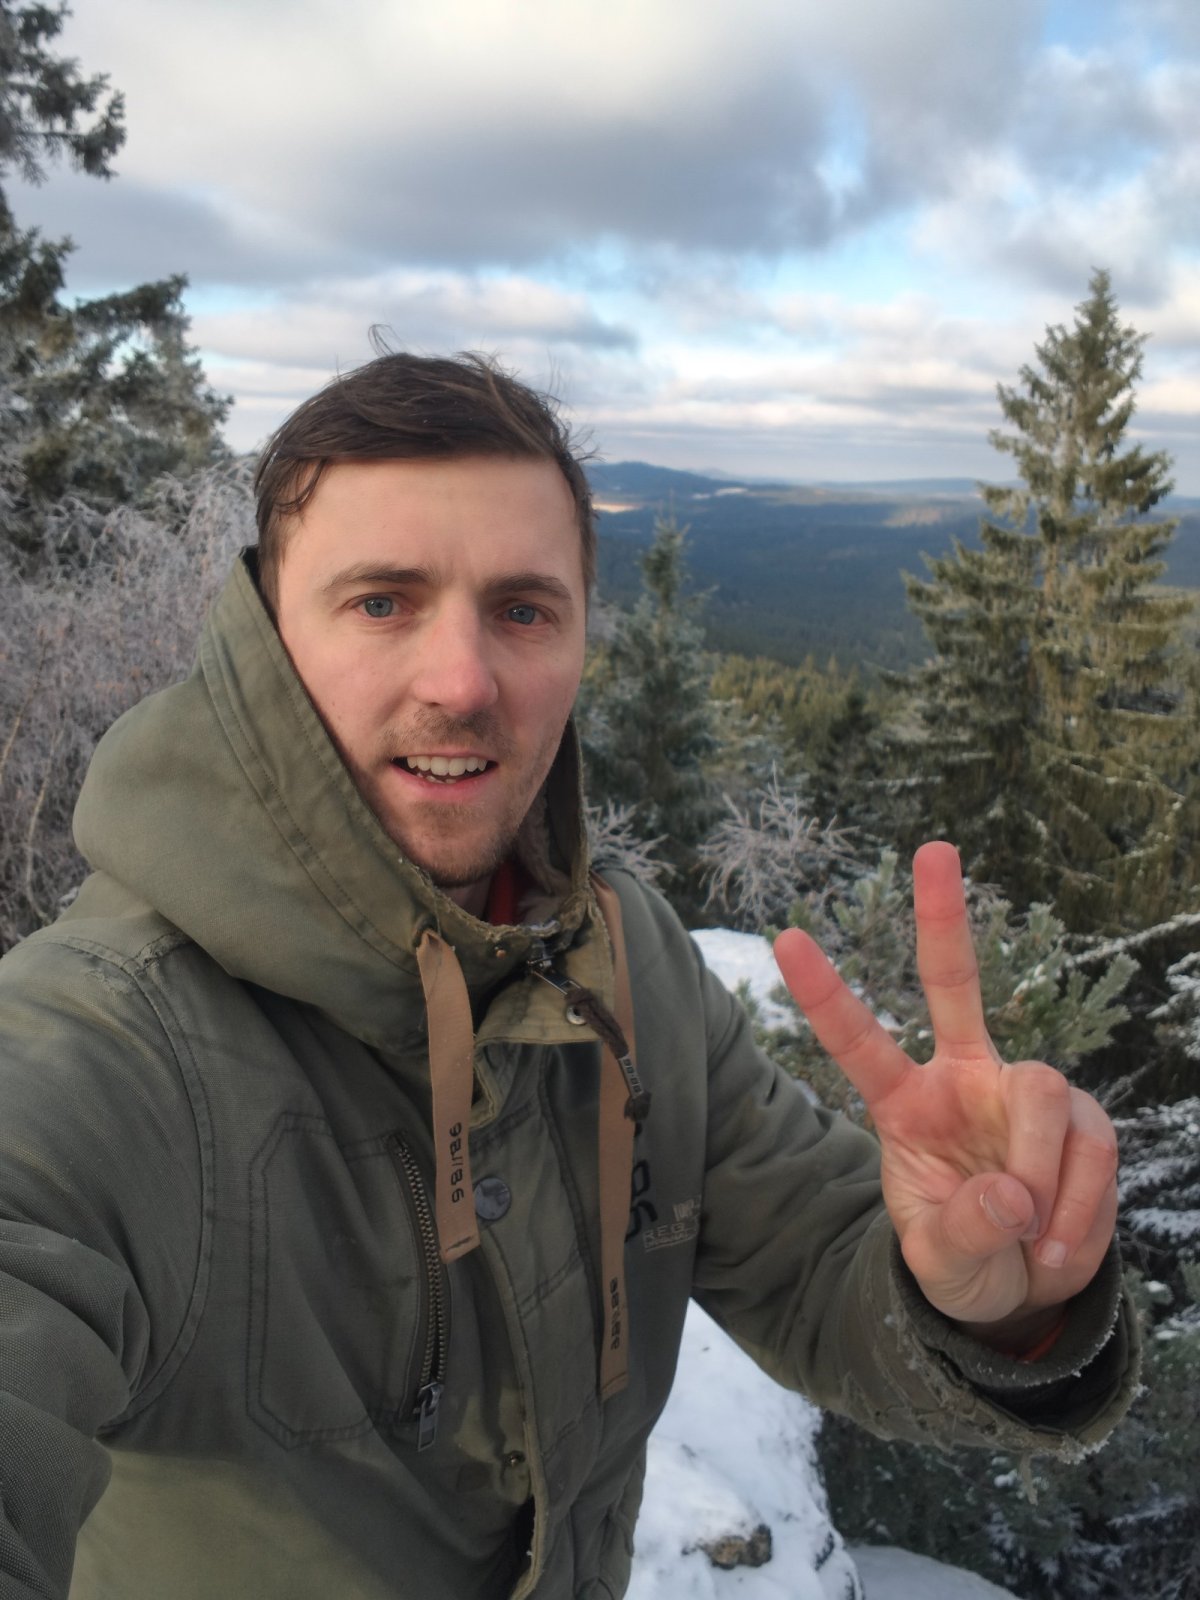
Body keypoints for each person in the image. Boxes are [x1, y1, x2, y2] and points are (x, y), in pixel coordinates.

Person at [0, 352, 1137, 1600]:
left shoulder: (626, 965)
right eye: (380, 602)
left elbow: (819, 1267)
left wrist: (998, 1303)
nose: (462, 681)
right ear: (266, 639)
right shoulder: (108, 1044)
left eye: (524, 610)